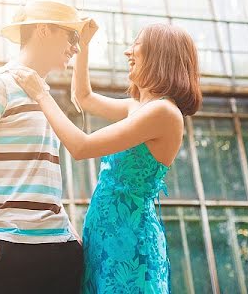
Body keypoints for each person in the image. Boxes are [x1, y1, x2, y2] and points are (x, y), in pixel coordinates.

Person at [14, 21, 202, 294]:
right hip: (104, 235)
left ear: (160, 57)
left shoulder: (163, 113)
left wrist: (42, 94)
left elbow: (81, 147)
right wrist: (85, 46)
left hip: (128, 242)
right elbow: (83, 97)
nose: (128, 53)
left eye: (136, 47)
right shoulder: (138, 108)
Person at [0, 0, 97, 294]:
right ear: (43, 30)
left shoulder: (45, 97)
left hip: (60, 251)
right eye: (72, 36)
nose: (76, 48)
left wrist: (69, 236)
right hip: (8, 251)